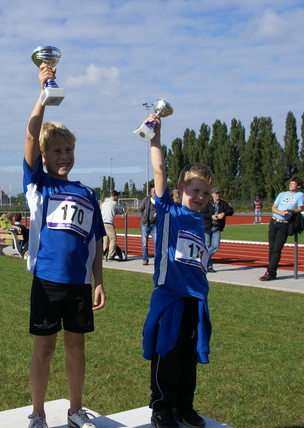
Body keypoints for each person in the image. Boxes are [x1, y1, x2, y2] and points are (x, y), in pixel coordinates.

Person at [23, 63, 106, 428]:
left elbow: (95, 242)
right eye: (56, 150)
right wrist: (43, 93)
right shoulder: (39, 184)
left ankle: (75, 410)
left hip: (78, 285)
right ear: (44, 156)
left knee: (77, 348)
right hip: (46, 281)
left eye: (68, 149)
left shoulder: (87, 193)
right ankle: (38, 413)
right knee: (44, 350)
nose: (64, 156)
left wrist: (99, 280)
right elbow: (30, 137)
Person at [141, 113, 213, 428]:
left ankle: (184, 405)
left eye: (205, 193)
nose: (199, 197)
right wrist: (156, 137)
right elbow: (159, 170)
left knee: (187, 358)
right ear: (182, 187)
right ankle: (162, 408)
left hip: (194, 298)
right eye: (195, 190)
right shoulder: (169, 210)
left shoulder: (201, 220)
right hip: (171, 295)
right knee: (167, 354)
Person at [259, 178, 304, 281]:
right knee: (271, 249)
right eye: (291, 183)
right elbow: (273, 207)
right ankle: (272, 272)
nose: (291, 185)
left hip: (284, 225)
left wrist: (290, 210)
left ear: (298, 186)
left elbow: (300, 209)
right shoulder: (282, 194)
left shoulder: (300, 195)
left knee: (277, 249)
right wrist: (280, 212)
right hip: (274, 222)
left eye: (293, 184)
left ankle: (269, 272)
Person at [200, 187, 234, 273]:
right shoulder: (207, 203)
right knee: (207, 246)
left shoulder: (223, 204)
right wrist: (211, 216)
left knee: (215, 246)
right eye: (215, 193)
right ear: (212, 194)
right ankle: (209, 266)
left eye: (218, 193)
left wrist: (223, 213)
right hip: (207, 227)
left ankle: (203, 259)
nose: (217, 195)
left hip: (217, 227)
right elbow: (202, 214)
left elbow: (231, 210)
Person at [101, 190, 123, 261]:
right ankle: (110, 255)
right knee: (113, 239)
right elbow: (120, 211)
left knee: (105, 239)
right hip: (109, 222)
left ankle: (103, 254)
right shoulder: (114, 203)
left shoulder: (104, 203)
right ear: (116, 196)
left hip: (102, 222)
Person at [139, 187, 157, 266]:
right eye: (155, 192)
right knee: (144, 243)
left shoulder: (159, 202)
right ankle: (145, 259)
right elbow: (140, 209)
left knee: (156, 242)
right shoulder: (146, 200)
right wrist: (142, 217)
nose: (157, 193)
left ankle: (157, 259)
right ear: (151, 193)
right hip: (145, 224)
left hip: (155, 225)